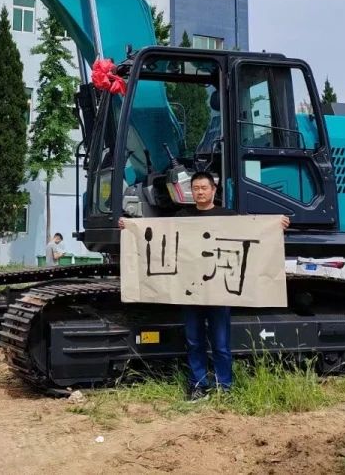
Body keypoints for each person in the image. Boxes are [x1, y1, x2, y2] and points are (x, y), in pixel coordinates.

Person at [119, 171, 290, 401]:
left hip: (220, 293)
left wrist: (277, 224)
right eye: (196, 188)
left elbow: (253, 230)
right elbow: (160, 235)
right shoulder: (182, 216)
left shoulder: (228, 216)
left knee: (220, 343)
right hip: (190, 292)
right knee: (194, 341)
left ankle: (224, 387)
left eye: (204, 188)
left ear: (213, 190)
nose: (200, 192)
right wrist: (130, 227)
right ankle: (198, 385)